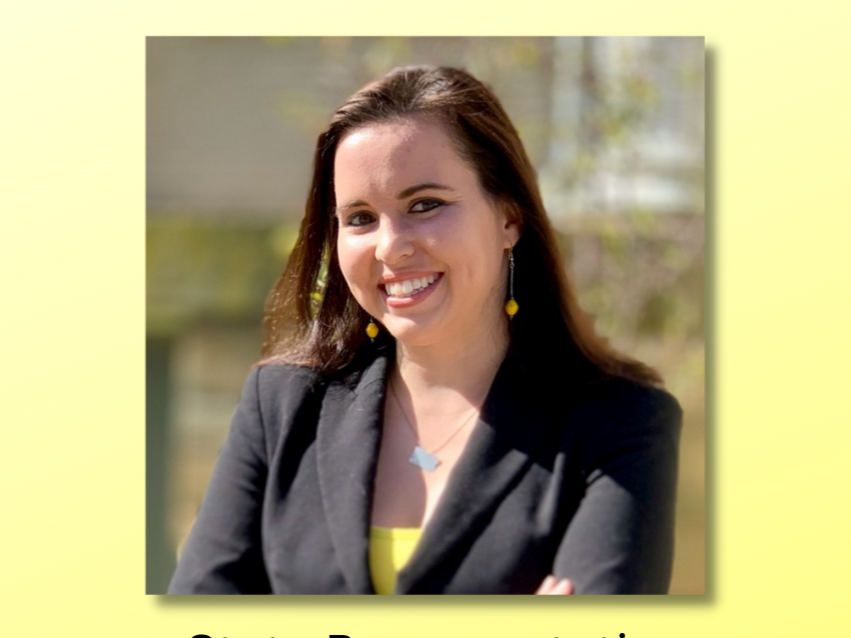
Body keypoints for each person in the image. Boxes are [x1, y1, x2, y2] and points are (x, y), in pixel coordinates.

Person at [168, 65, 681, 595]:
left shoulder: (620, 426)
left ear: (508, 217)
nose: (390, 247)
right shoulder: (282, 407)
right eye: (361, 218)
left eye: (425, 205)